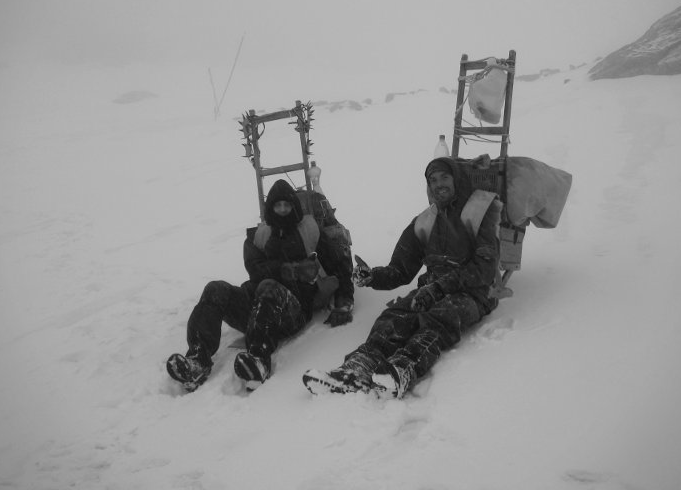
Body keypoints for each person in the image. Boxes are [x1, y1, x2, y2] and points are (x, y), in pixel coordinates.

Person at [302, 156, 501, 399]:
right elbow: (401, 270)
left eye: (445, 177)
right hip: (431, 289)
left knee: (441, 316)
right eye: (433, 180)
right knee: (393, 316)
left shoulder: (480, 210)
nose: (439, 184)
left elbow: (485, 268)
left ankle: (401, 369)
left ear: (456, 178)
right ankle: (356, 369)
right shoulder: (425, 221)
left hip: (475, 292)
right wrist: (373, 276)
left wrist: (439, 288)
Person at [167, 179, 354, 392]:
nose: (282, 210)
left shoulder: (310, 232)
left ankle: (259, 359)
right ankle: (197, 360)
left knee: (269, 287)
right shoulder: (260, 235)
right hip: (257, 306)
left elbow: (340, 267)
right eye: (277, 206)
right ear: (270, 208)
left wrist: (344, 303)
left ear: (294, 207)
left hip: (293, 312)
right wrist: (287, 268)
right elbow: (254, 269)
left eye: (287, 205)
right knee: (215, 288)